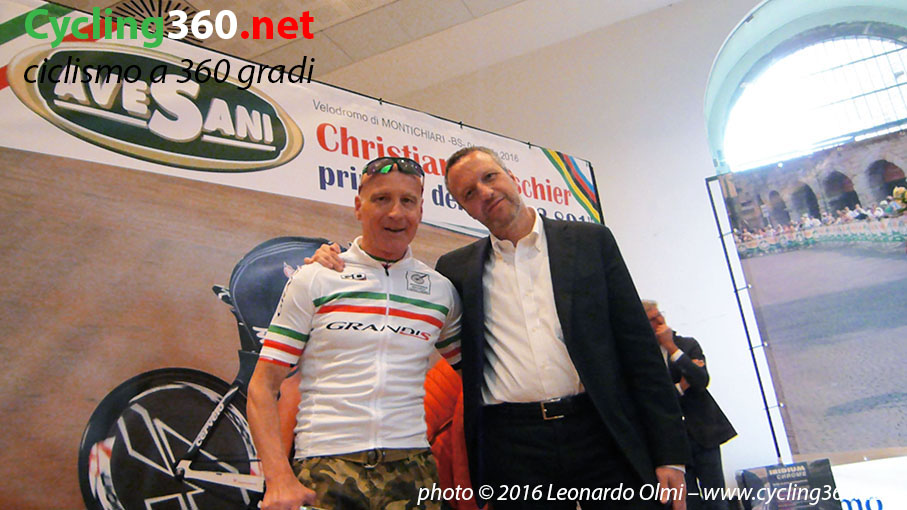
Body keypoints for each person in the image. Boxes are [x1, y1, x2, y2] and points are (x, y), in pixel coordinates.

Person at [310, 147, 690, 509]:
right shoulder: (455, 270)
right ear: (464, 210)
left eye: (490, 177)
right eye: (469, 193)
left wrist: (670, 453)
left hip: (600, 429)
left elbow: (640, 350)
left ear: (511, 176)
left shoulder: (591, 242)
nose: (486, 193)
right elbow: (392, 284)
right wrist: (332, 261)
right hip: (514, 446)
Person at [246, 157, 463, 510]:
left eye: (407, 201)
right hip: (326, 468)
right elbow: (262, 387)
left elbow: (478, 376)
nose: (396, 212)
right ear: (359, 206)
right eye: (381, 199)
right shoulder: (316, 277)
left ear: (421, 211)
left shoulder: (440, 291)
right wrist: (277, 478)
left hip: (413, 470)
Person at [643, 300, 737, 510]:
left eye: (659, 314)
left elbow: (701, 381)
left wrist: (672, 348)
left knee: (716, 499)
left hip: (704, 433)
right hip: (674, 440)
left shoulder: (686, 345)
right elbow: (654, 399)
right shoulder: (643, 357)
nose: (660, 321)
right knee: (689, 501)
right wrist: (681, 387)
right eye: (652, 319)